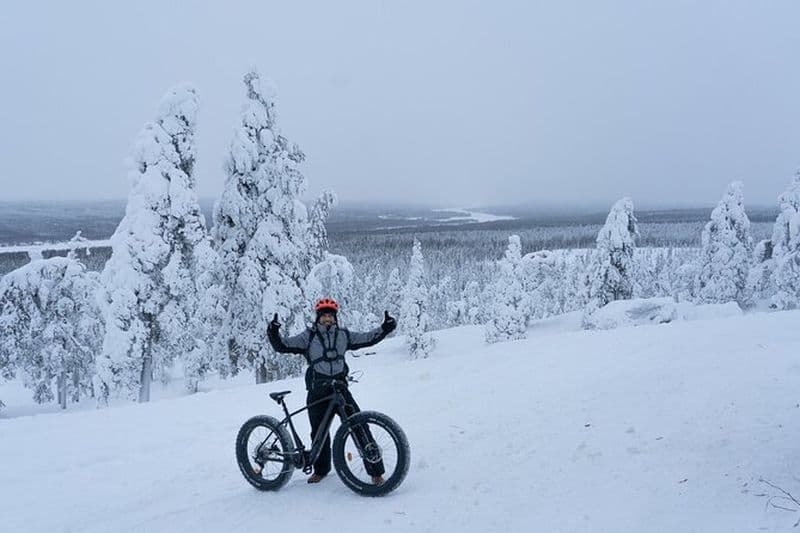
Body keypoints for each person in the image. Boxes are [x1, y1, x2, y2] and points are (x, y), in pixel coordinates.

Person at [267, 298, 397, 485]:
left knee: (359, 426)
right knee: (319, 434)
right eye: (324, 316)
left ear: (335, 318)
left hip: (340, 389)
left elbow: (367, 338)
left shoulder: (344, 335)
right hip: (317, 390)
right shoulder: (308, 337)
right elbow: (283, 345)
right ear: (318, 318)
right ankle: (320, 470)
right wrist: (273, 332)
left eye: (330, 315)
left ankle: (376, 472)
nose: (327, 318)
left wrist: (385, 328)